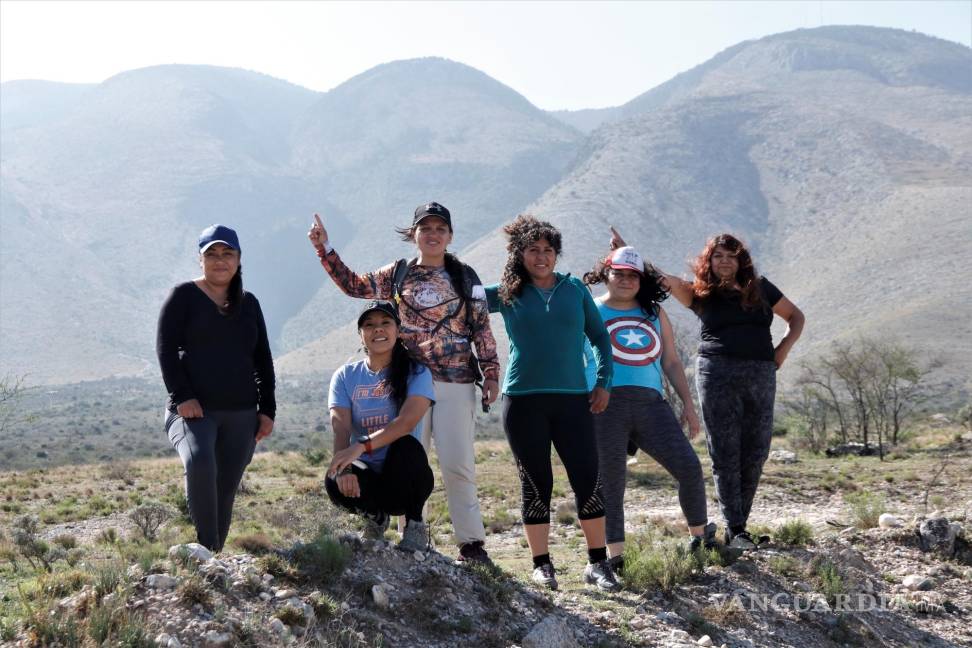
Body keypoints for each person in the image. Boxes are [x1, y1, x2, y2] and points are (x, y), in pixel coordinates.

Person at [308, 202, 500, 564]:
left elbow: (481, 326)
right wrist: (324, 249)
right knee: (406, 458)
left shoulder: (465, 276)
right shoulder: (397, 273)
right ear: (414, 234)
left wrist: (490, 371)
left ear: (450, 235)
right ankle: (412, 534)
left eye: (440, 229)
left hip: (456, 380)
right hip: (409, 381)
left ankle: (471, 543)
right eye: (425, 228)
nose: (432, 234)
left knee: (458, 464)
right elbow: (355, 285)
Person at [610, 228, 805, 550]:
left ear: (741, 260)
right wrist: (628, 253)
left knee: (756, 451)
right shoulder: (699, 292)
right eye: (718, 256)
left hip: (760, 372)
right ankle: (737, 528)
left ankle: (738, 525)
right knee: (725, 450)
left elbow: (796, 317)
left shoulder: (761, 288)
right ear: (708, 261)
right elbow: (664, 280)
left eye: (731, 256)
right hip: (717, 373)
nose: (725, 262)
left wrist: (780, 352)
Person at [485, 214, 619, 592]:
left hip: (574, 400)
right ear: (520, 254)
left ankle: (598, 564)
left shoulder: (574, 289)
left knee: (586, 478)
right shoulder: (507, 293)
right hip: (523, 401)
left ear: (556, 255)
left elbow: (600, 339)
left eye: (548, 250)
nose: (541, 257)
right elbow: (459, 301)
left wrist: (604, 383)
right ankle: (542, 565)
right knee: (535, 482)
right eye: (533, 250)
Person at [582, 246, 715, 575]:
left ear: (641, 280)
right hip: (604, 405)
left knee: (688, 467)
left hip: (651, 405)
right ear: (606, 275)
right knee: (610, 483)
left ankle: (700, 537)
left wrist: (688, 405)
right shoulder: (589, 311)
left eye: (633, 275)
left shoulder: (653, 313)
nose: (626, 280)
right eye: (619, 273)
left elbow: (670, 361)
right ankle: (616, 557)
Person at [157, 224, 275, 552]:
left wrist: (267, 410)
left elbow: (262, 359)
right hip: (194, 411)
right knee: (200, 464)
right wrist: (183, 396)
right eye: (212, 254)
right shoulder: (183, 296)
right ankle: (206, 551)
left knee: (225, 489)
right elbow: (165, 350)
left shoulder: (249, 304)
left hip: (241, 413)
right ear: (200, 259)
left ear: (238, 260)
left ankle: (214, 556)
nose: (220, 260)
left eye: (227, 253)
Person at [324, 300, 436, 551]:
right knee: (333, 476)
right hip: (367, 478)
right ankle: (374, 518)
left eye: (386, 323)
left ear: (398, 330)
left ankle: (415, 525)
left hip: (403, 478)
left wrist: (361, 446)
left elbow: (406, 422)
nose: (378, 330)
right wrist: (343, 468)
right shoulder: (345, 376)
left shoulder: (417, 372)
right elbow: (340, 428)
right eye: (369, 325)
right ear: (361, 334)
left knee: (407, 446)